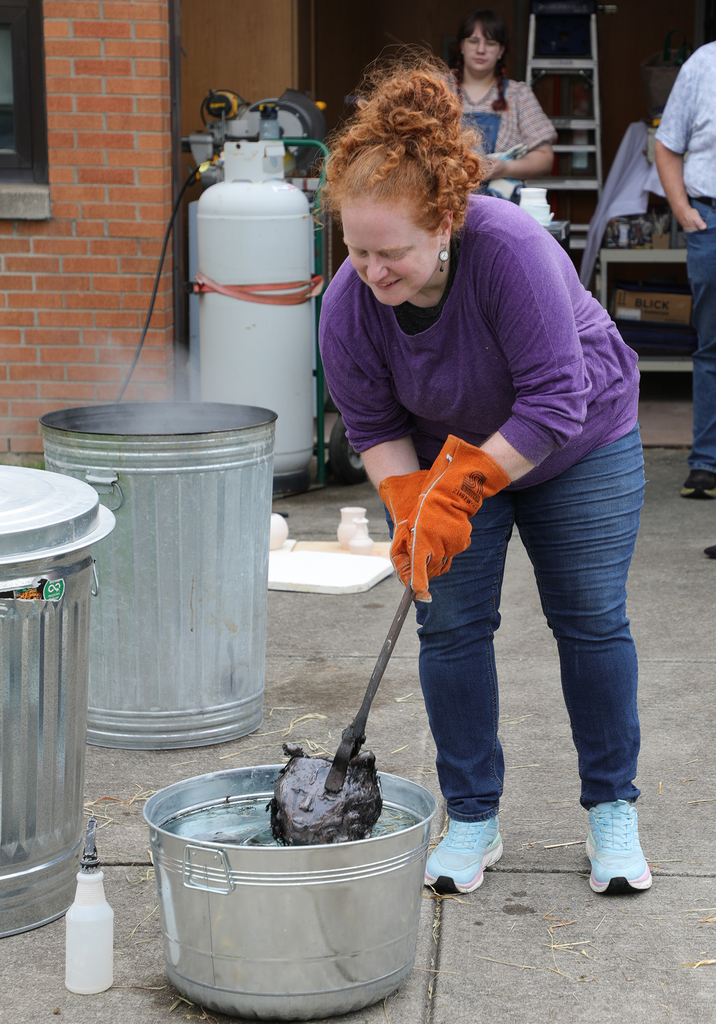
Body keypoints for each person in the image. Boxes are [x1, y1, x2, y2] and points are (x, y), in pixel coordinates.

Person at [319, 59, 652, 897]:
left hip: (581, 443)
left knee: (589, 621)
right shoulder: (348, 303)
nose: (372, 271)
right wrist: (408, 506)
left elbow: (554, 402)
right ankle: (471, 815)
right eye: (356, 250)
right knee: (451, 628)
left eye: (389, 252)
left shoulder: (512, 251)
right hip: (449, 450)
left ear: (444, 222)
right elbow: (375, 427)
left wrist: (458, 490)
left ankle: (612, 808)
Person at [654, 42, 716, 502]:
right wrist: (682, 209)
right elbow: (667, 143)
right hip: (710, 220)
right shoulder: (703, 63)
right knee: (712, 347)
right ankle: (706, 463)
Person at [452, 8, 556, 196]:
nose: (481, 49)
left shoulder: (518, 95)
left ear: (500, 51)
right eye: (473, 41)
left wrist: (504, 168)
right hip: (444, 203)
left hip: (501, 206)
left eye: (490, 43)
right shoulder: (439, 88)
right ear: (461, 45)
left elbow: (545, 157)